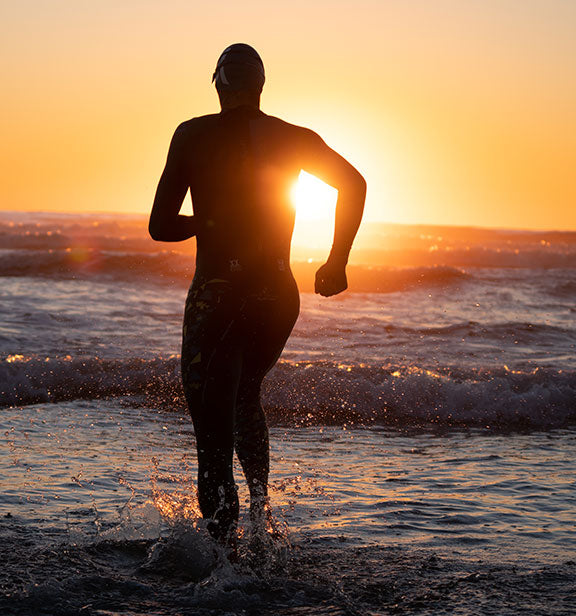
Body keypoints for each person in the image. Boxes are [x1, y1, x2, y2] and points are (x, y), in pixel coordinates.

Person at [149, 43, 366, 542]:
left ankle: (222, 560)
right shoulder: (293, 138)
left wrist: (206, 222)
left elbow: (161, 226)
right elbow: (354, 184)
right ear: (261, 86)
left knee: (212, 431)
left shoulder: (194, 134)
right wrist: (337, 262)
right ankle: (261, 524)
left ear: (218, 84)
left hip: (218, 295)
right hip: (277, 298)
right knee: (246, 395)